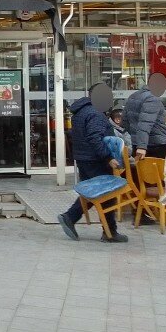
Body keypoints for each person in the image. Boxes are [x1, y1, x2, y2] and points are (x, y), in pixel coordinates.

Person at [58, 83, 127, 243]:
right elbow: (95, 138)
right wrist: (108, 158)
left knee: (92, 193)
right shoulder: (95, 114)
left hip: (84, 158)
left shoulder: (81, 111)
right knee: (106, 194)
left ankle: (71, 217)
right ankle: (109, 232)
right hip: (95, 160)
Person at [122, 72, 166, 161]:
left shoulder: (133, 95)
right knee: (158, 174)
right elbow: (145, 124)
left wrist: (136, 140)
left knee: (141, 174)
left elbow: (125, 121)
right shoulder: (153, 98)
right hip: (155, 145)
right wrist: (142, 147)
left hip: (136, 143)